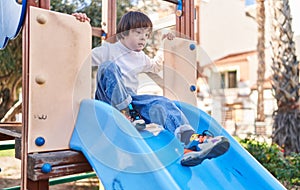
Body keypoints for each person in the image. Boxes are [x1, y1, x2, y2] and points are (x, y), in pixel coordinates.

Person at [73, 11, 230, 167]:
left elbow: (155, 67)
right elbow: (79, 57)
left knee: (161, 102)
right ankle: (125, 114)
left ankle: (191, 141)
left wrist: (163, 46)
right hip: (107, 103)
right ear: (124, 33)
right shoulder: (108, 49)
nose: (143, 38)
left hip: (132, 105)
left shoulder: (140, 57)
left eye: (147, 35)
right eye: (138, 33)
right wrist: (76, 25)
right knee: (108, 67)